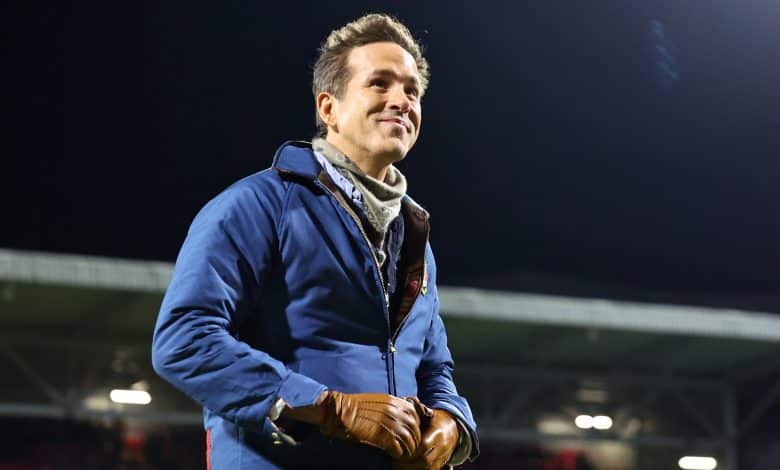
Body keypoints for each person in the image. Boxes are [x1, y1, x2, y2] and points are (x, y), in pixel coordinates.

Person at [152, 13, 478, 469]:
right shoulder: (255, 205)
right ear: (329, 109)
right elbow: (183, 340)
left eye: (411, 90)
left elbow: (433, 365)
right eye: (379, 84)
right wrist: (328, 408)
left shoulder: (415, 237)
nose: (401, 100)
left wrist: (452, 421)